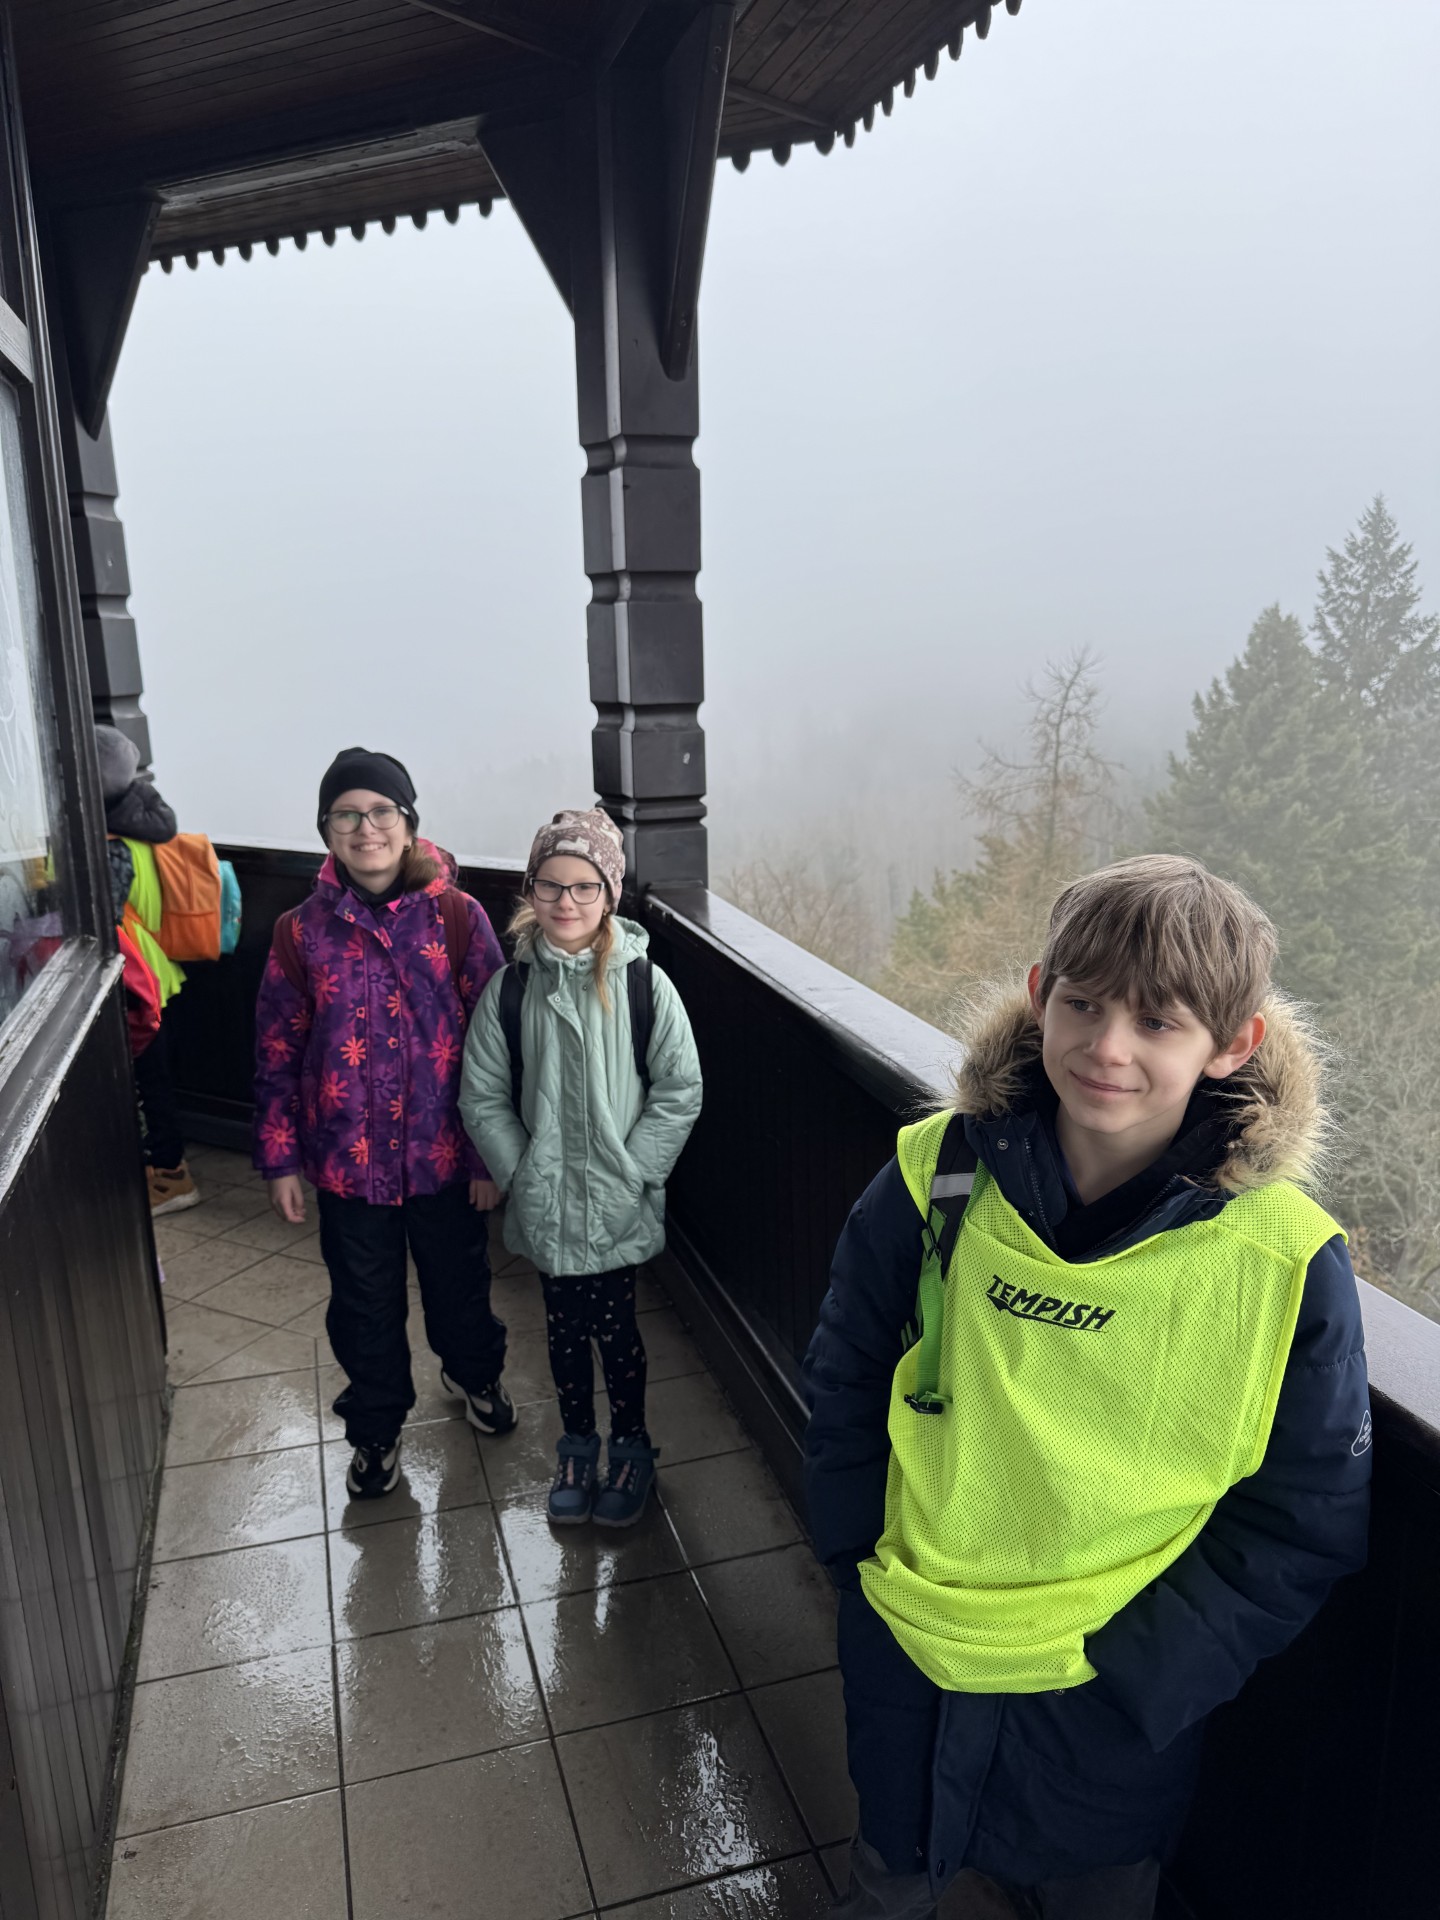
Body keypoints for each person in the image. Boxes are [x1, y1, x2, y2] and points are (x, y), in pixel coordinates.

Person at [805, 854, 1372, 1920]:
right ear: (1039, 996)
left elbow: (1303, 1517)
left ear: (1233, 1043)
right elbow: (848, 1361)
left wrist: (1141, 1673)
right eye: (1084, 1004)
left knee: (1099, 1896)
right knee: (890, 1869)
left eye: (1158, 1021)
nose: (1108, 1047)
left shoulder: (1284, 1261)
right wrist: (854, 1554)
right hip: (911, 1630)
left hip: (1106, 1692)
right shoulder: (942, 1172)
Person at [253, 747, 511, 1500]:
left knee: (460, 1287)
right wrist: (280, 1159)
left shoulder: (458, 918)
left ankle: (474, 1376)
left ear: (408, 823)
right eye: (346, 815)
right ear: (326, 830)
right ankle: (375, 1429)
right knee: (363, 1307)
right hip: (347, 1167)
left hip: (446, 1158)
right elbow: (276, 1047)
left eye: (381, 812)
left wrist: (490, 1159)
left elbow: (499, 1047)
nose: (365, 828)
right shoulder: (300, 933)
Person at [459, 808, 703, 1528]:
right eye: (551, 885)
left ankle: (630, 1447)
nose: (566, 901)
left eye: (584, 887)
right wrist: (521, 1173)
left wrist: (636, 1170)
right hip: (547, 1200)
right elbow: (482, 1094)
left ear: (609, 895)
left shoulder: (643, 985)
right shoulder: (509, 990)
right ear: (530, 891)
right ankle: (576, 1447)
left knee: (618, 1331)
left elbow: (680, 1088)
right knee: (563, 1332)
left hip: (616, 1197)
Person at [96, 722, 196, 1215]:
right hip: (161, 971)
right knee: (156, 1080)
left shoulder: (111, 844)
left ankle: (171, 1177)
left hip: (135, 982)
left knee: (147, 1085)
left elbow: (102, 920)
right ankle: (166, 1170)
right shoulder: (147, 826)